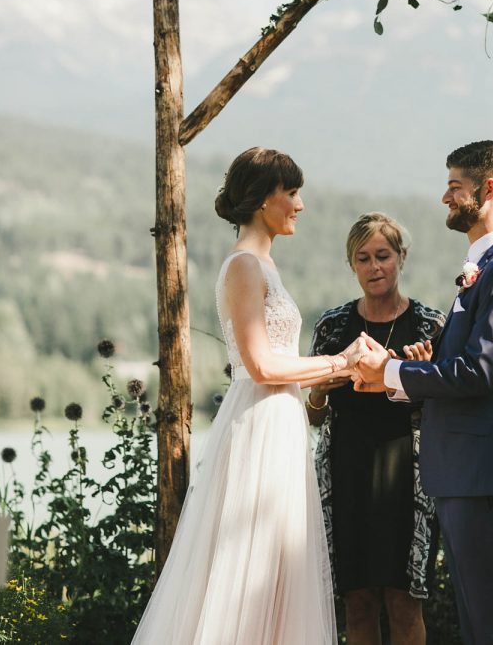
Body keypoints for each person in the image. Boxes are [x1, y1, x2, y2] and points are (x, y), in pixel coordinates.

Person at [132, 147, 366, 645]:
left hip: (282, 422)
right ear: (264, 199)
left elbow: (280, 363)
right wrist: (339, 362)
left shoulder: (265, 266)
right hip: (258, 425)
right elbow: (260, 365)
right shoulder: (243, 267)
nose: (300, 204)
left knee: (279, 572)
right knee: (248, 569)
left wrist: (341, 373)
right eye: (293, 192)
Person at [353, 141, 493, 645]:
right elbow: (458, 370)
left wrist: (391, 373)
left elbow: (480, 372)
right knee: (479, 625)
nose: (445, 197)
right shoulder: (485, 268)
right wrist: (401, 373)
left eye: (455, 187)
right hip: (463, 472)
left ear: (488, 189)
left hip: (484, 474)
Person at [307, 212, 445, 645]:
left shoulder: (430, 326)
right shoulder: (331, 328)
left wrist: (425, 383)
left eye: (382, 256)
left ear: (401, 257)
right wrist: (317, 393)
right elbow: (313, 415)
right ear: (352, 265)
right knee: (357, 602)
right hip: (345, 473)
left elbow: (449, 409)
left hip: (409, 477)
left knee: (405, 604)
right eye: (363, 258)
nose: (374, 267)